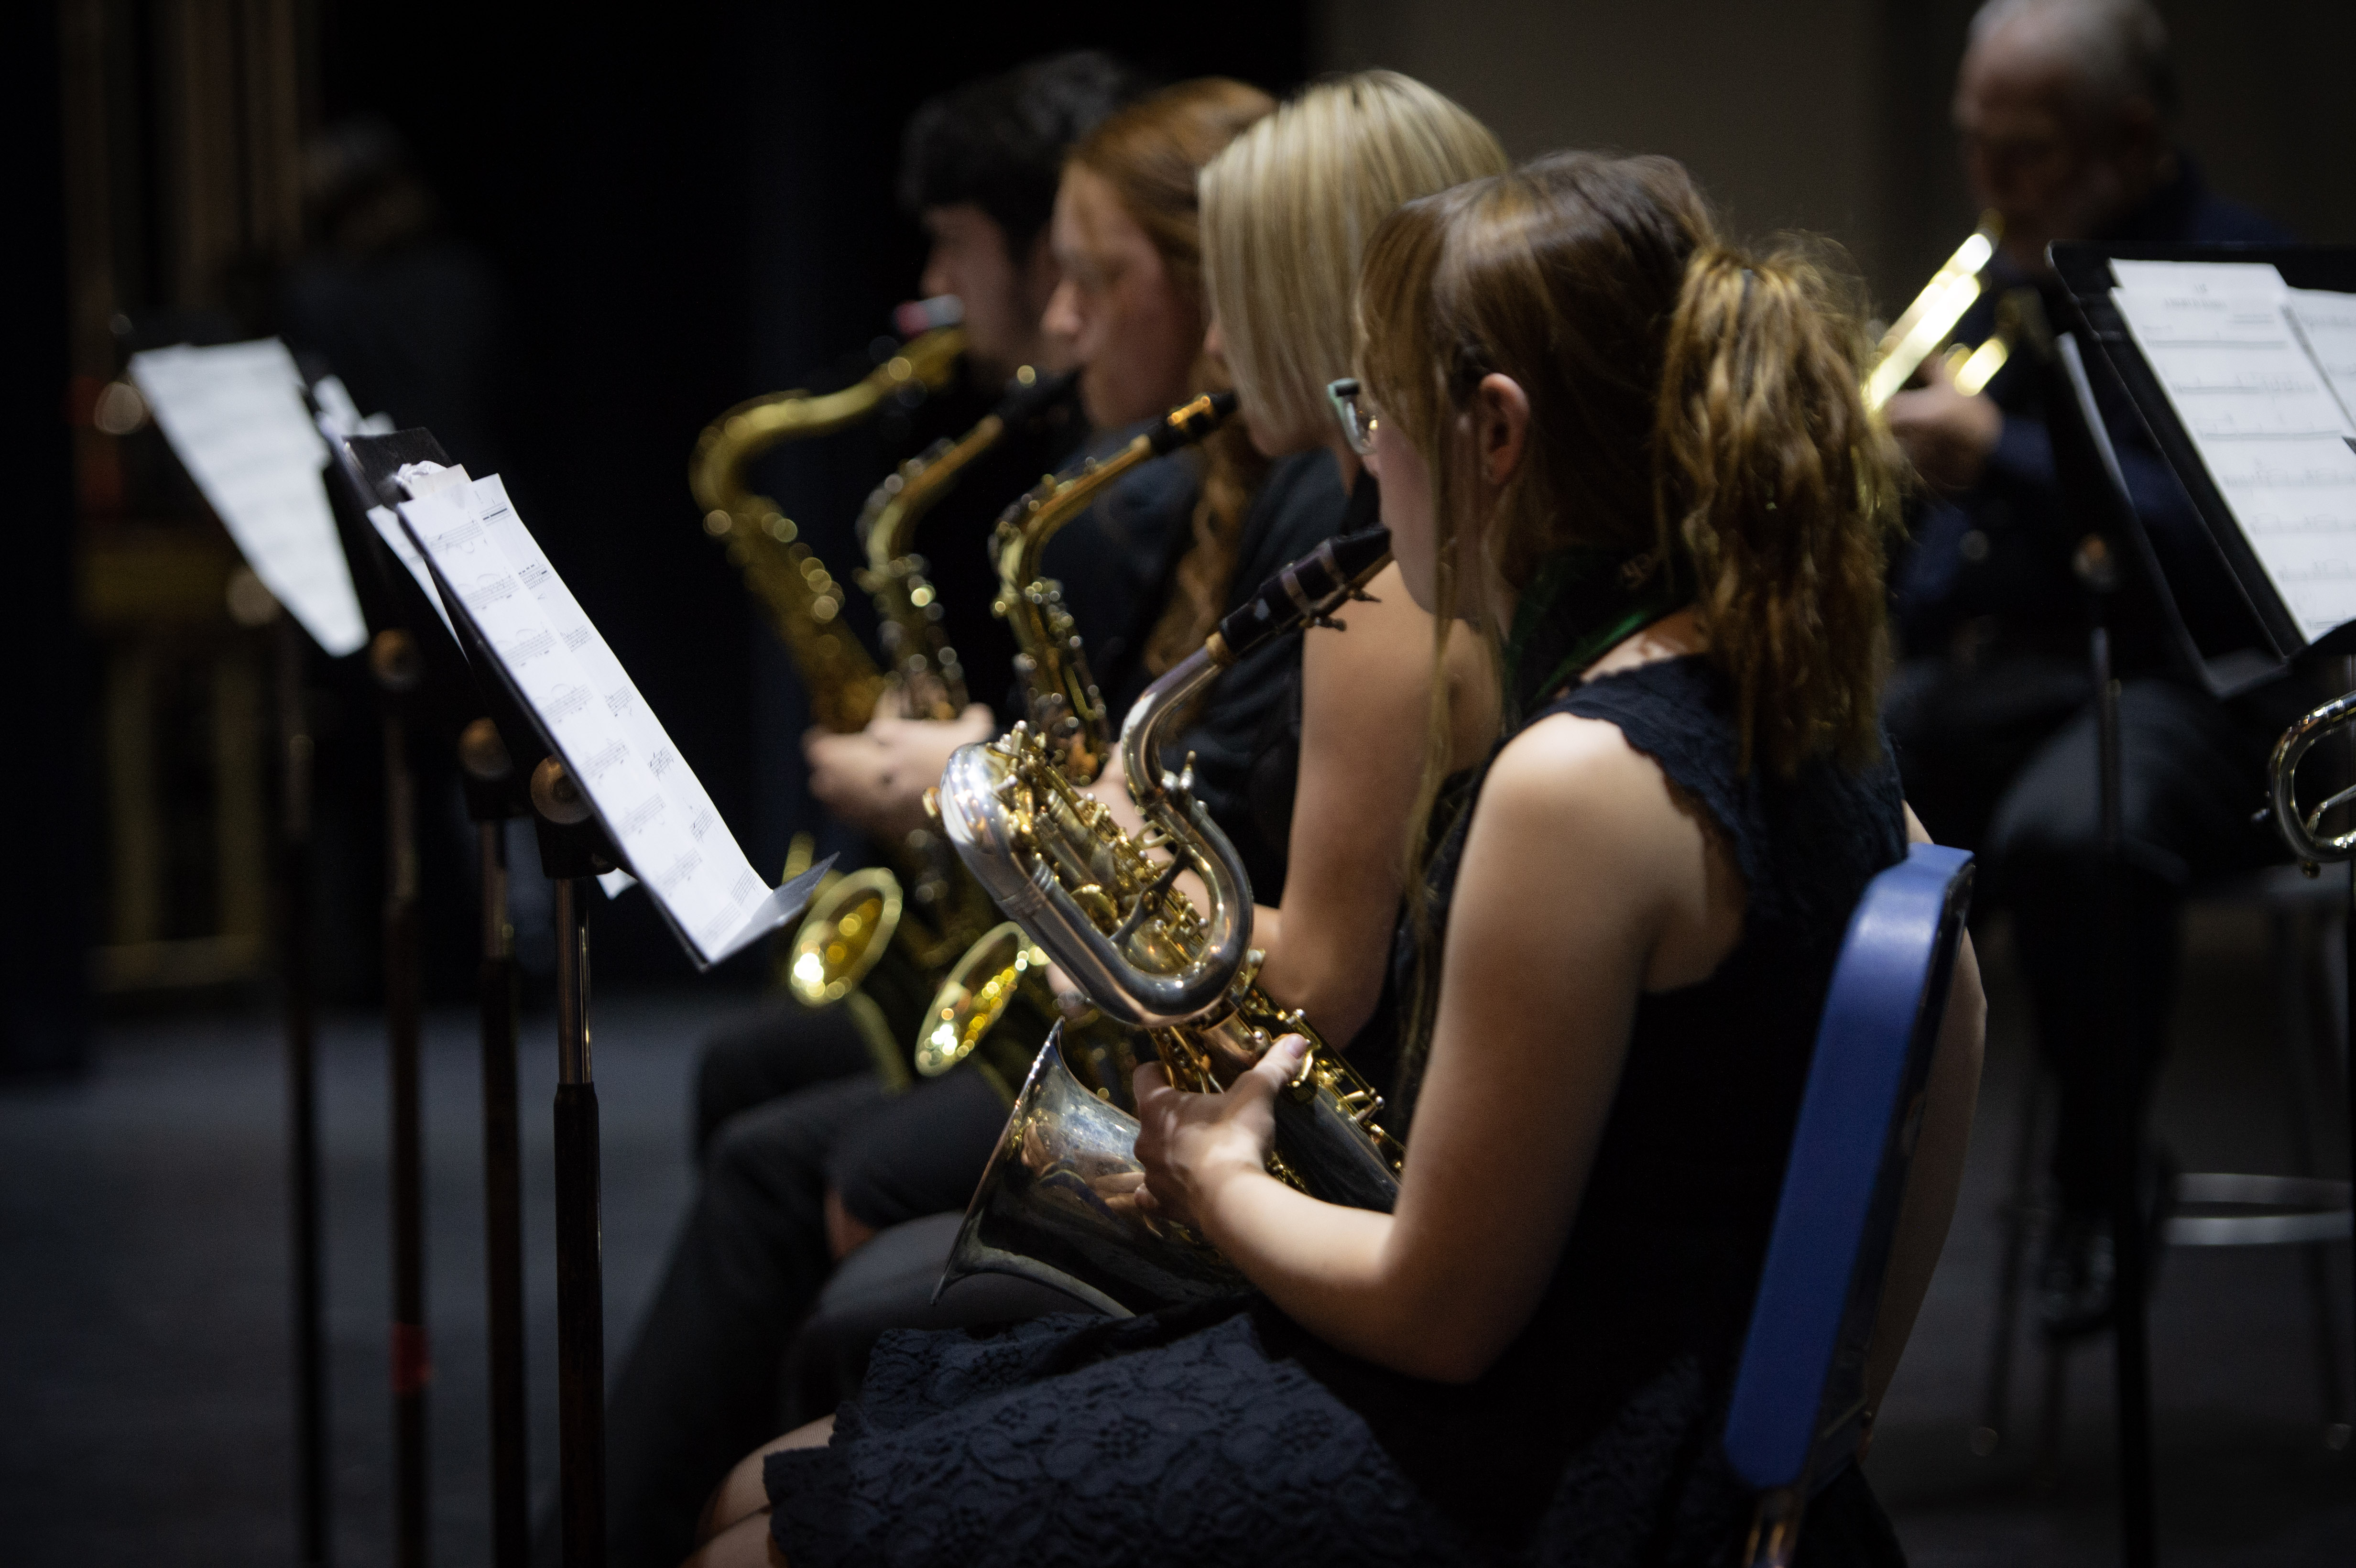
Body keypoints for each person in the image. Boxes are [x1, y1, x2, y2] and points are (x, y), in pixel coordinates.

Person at [694, 151, 1987, 1568]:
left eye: (1371, 410)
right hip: (1660, 1430)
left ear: (1495, 433)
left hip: (1553, 1468)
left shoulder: (1580, 782)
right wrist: (1813, 1442)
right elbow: (1950, 1003)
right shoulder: (1802, 706)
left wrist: (1219, 1177)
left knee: (763, 1527)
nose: (1363, 457)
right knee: (776, 1490)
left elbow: (1439, 1317)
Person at [596, 78, 1277, 1568]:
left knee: (797, 1169)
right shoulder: (1165, 507)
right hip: (1133, 1024)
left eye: (1100, 278)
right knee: (762, 1105)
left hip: (1181, 1067)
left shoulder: (1242, 533)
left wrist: (979, 786)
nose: (1063, 323)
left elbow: (1270, 914)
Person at [1879, 0, 2292, 1338]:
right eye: (1974, 147)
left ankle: (2102, 1186)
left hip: (2189, 686)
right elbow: (1944, 568)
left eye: (2028, 153)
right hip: (1997, 677)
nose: (1992, 185)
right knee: (1793, 772)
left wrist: (1999, 454)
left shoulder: (2237, 284)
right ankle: (1814, 1196)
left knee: (2078, 835)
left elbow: (2231, 553)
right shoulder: (2006, 276)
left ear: (2132, 136)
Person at [692, 49, 1148, 1152]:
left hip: (1104, 1001)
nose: (936, 279)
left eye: (954, 241)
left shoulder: (1130, 487)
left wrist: (949, 775)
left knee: (796, 1151)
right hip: (1053, 950)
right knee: (748, 1078)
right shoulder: (1053, 445)